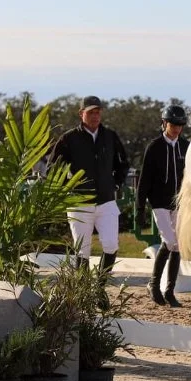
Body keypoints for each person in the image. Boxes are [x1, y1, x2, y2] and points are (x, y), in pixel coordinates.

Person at [50, 95, 130, 273]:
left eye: (98, 112)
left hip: (106, 201)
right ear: (81, 113)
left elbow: (123, 163)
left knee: (111, 245)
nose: (95, 116)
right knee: (82, 250)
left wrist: (116, 184)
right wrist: (67, 189)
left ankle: (100, 288)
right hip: (79, 203)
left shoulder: (110, 136)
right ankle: (84, 292)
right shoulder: (68, 139)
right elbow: (53, 169)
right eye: (91, 112)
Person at [136, 104, 191, 306]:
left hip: (179, 203)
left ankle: (169, 290)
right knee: (169, 241)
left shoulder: (186, 146)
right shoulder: (154, 146)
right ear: (164, 123)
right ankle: (153, 284)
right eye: (173, 124)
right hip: (158, 202)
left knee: (178, 245)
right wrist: (140, 207)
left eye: (180, 125)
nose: (176, 128)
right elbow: (144, 179)